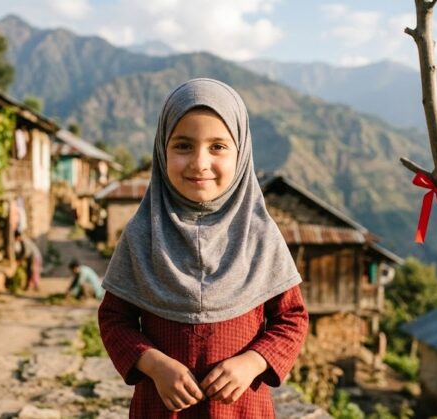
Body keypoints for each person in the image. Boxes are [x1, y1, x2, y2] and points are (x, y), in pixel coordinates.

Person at [97, 78, 309, 418]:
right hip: (160, 409)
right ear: (161, 149)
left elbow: (291, 319)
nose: (199, 162)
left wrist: (251, 363)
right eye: (182, 145)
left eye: (218, 147)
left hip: (242, 411)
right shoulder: (142, 235)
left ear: (241, 153)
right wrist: (154, 365)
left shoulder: (260, 236)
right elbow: (113, 318)